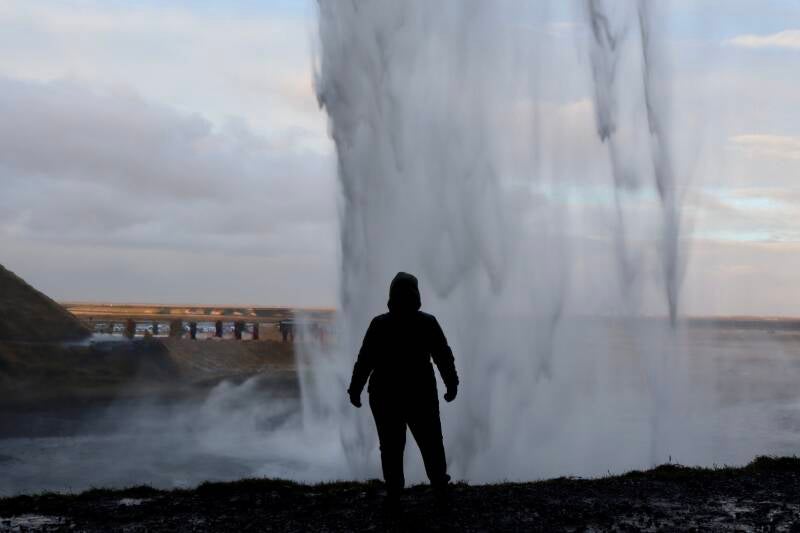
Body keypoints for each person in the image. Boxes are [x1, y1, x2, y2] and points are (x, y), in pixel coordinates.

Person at [347, 272, 459, 499]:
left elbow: (365, 359)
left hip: (385, 395)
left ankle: (395, 491)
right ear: (416, 296)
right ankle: (439, 485)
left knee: (391, 446)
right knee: (431, 442)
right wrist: (451, 383)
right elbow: (443, 356)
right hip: (421, 395)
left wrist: (356, 388)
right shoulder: (427, 323)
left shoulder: (379, 324)